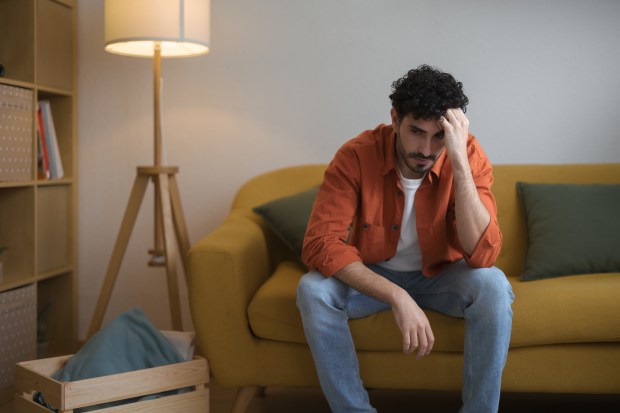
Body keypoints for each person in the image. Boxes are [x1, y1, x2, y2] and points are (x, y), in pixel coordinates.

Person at [296, 64, 514, 413]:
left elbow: (482, 255)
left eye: (438, 135)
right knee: (312, 289)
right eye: (416, 131)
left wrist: (458, 161)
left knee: (493, 284)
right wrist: (396, 295)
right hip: (375, 276)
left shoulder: (467, 154)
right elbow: (321, 243)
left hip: (444, 278)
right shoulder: (356, 155)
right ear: (395, 118)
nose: (426, 149)